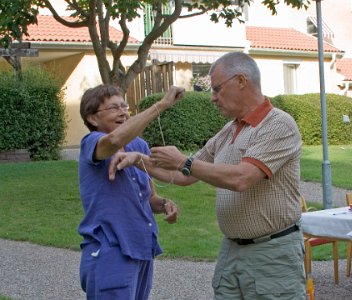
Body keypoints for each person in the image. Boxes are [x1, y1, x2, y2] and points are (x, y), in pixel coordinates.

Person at [109, 52, 306, 299]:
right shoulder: (230, 129)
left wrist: (183, 161)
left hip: (272, 254)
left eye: (217, 89)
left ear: (242, 81)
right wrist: (138, 161)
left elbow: (242, 178)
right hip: (231, 249)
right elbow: (184, 175)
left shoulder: (278, 125)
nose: (212, 98)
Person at [78, 84, 184, 299]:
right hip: (110, 249)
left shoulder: (140, 146)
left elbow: (149, 198)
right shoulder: (92, 142)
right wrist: (162, 105)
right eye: (114, 108)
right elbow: (115, 140)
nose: (123, 112)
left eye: (124, 106)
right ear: (92, 118)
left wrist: (164, 204)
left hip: (141, 247)